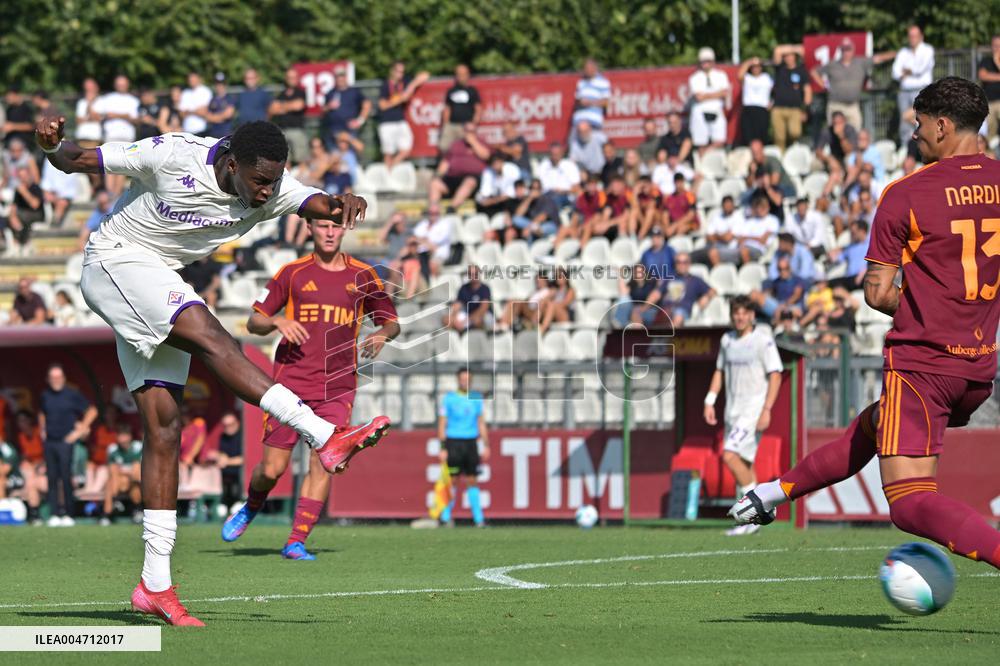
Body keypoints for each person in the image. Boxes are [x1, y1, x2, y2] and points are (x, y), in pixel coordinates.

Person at [36, 113, 382, 625]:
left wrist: (339, 202)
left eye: (275, 180)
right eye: (259, 180)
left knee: (164, 429)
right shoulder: (174, 155)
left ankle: (155, 586)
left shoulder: (274, 184)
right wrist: (51, 147)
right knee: (213, 337)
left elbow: (313, 202)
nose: (266, 193)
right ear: (230, 161)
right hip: (114, 261)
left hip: (157, 279)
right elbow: (80, 160)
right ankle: (322, 434)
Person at [729, 77, 1000, 573]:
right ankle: (771, 493)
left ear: (942, 125)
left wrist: (931, 310)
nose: (915, 135)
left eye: (919, 125)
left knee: (909, 503)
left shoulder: (907, 193)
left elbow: (876, 292)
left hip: (923, 365)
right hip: (978, 371)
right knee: (876, 426)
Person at [224, 218, 399, 559]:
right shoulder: (293, 272)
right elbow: (254, 321)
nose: (330, 232)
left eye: (336, 226)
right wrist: (277, 320)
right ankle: (252, 505)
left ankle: (296, 540)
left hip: (338, 385)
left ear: (344, 230)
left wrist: (381, 334)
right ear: (310, 229)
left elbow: (391, 322)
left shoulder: (363, 275)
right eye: (323, 226)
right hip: (289, 384)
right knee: (273, 469)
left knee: (326, 460)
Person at [704, 295, 782, 536]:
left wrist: (767, 409)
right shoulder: (727, 340)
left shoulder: (762, 340)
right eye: (736, 312)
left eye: (744, 313)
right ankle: (754, 517)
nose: (740, 316)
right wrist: (710, 400)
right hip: (732, 410)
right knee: (744, 463)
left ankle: (755, 513)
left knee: (729, 456)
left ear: (752, 316)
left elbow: (776, 374)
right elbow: (720, 371)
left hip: (753, 410)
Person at [39, 363, 97, 527]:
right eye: (53, 377)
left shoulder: (72, 395)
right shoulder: (45, 395)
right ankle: (54, 514)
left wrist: (78, 432)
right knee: (51, 477)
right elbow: (42, 412)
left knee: (65, 477)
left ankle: (69, 514)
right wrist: (43, 429)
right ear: (48, 379)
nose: (56, 380)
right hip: (50, 441)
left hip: (66, 441)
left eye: (58, 377)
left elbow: (92, 411)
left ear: (63, 378)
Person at [437, 367, 490, 527]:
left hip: (471, 443)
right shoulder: (449, 398)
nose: (465, 382)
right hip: (453, 442)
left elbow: (480, 422)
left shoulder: (476, 398)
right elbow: (442, 423)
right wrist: (442, 447)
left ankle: (478, 519)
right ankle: (445, 518)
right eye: (462, 379)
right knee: (452, 480)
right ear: (458, 380)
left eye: (468, 379)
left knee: (472, 480)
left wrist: (486, 444)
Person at [812, 37, 894, 130]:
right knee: (834, 134)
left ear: (853, 49)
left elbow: (878, 58)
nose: (846, 52)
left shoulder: (860, 62)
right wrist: (824, 85)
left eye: (848, 49)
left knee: (855, 133)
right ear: (840, 50)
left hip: (852, 106)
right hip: (835, 105)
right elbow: (814, 72)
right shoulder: (833, 64)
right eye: (844, 49)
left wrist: (895, 54)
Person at [377, 61, 429, 169]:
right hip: (387, 122)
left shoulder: (405, 82)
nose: (400, 74)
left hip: (400, 120)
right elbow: (382, 105)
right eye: (398, 71)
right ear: (392, 71)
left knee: (406, 148)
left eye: (402, 72)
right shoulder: (385, 85)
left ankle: (392, 167)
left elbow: (425, 75)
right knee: (388, 152)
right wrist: (400, 99)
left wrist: (412, 86)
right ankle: (388, 173)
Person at [892, 26, 935, 146]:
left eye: (915, 36)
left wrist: (906, 71)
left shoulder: (928, 50)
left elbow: (920, 69)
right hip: (904, 91)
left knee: (921, 117)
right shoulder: (903, 52)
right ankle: (906, 148)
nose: (912, 39)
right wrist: (907, 72)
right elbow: (895, 73)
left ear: (921, 36)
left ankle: (923, 144)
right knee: (904, 121)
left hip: (921, 90)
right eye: (910, 36)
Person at [688, 47, 731, 154]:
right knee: (700, 142)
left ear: (713, 62)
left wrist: (706, 95)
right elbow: (698, 97)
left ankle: (709, 154)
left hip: (716, 111)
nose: (705, 64)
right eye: (703, 61)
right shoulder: (695, 78)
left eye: (708, 61)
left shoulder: (721, 75)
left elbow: (725, 93)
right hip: (700, 113)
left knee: (719, 140)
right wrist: (717, 94)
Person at [769, 45, 812, 150]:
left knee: (795, 133)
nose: (788, 58)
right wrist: (791, 49)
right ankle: (781, 159)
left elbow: (807, 91)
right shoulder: (780, 69)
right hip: (778, 108)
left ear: (795, 57)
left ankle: (792, 150)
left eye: (791, 55)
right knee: (779, 137)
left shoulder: (801, 70)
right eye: (786, 56)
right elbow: (777, 50)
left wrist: (805, 109)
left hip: (795, 109)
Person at [659, 253, 714, 327]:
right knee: (638, 314)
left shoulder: (696, 280)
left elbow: (712, 291)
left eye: (685, 262)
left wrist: (706, 297)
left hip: (682, 311)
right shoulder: (669, 278)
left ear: (689, 264)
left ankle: (670, 338)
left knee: (678, 315)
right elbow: (656, 293)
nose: (681, 265)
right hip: (664, 310)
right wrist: (644, 307)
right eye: (678, 262)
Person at [322, 65, 371, 148]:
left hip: (350, 129)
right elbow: (323, 110)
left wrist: (360, 121)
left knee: (352, 155)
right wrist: (329, 106)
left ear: (346, 77)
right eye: (338, 76)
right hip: (334, 130)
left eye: (342, 76)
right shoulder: (330, 93)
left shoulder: (354, 91)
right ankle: (353, 141)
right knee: (336, 156)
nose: (340, 78)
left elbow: (367, 104)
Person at [268, 68, 308, 165]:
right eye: (289, 77)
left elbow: (299, 105)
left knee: (302, 161)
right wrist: (290, 106)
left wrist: (281, 107)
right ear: (286, 78)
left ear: (297, 78)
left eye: (294, 77)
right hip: (283, 131)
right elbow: (272, 110)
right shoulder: (281, 94)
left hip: (297, 130)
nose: (292, 79)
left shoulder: (301, 92)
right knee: (286, 163)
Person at [439, 64, 482, 153]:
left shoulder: (472, 91)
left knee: (468, 150)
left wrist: (473, 124)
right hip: (452, 125)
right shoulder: (451, 91)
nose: (461, 77)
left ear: (468, 75)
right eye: (458, 74)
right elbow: (447, 109)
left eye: (463, 74)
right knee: (444, 147)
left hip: (466, 126)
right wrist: (446, 125)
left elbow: (478, 109)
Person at [105, 423, 143, 524]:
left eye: (124, 435)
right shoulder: (113, 449)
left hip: (136, 481)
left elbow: (137, 471)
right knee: (112, 480)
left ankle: (115, 506)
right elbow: (112, 469)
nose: (122, 439)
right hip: (120, 482)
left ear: (130, 436)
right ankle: (111, 510)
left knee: (135, 475)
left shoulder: (137, 447)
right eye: (120, 435)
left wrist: (123, 471)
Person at [14, 409, 45, 524]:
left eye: (24, 420)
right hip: (30, 474)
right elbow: (23, 457)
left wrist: (38, 466)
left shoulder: (39, 433)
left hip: (43, 472)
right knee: (27, 469)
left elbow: (47, 457)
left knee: (31, 479)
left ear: (30, 420)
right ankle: (34, 514)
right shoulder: (20, 437)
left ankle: (34, 513)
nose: (21, 424)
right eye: (19, 421)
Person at [694, 195, 744, 266]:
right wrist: (721, 236)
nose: (727, 207)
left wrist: (716, 236)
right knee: (692, 255)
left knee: (713, 253)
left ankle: (719, 273)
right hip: (714, 246)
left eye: (729, 205)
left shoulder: (738, 217)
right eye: (725, 205)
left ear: (733, 206)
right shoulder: (717, 217)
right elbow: (708, 236)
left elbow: (727, 239)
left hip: (731, 249)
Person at [536, 141, 582, 210]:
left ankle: (538, 220)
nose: (554, 157)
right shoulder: (544, 165)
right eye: (552, 154)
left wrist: (561, 191)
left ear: (562, 153)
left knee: (552, 201)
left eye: (556, 154)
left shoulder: (570, 165)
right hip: (546, 195)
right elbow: (537, 184)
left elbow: (576, 188)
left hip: (564, 196)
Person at [445, 266, 492, 332]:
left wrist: (466, 320)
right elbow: (457, 305)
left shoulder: (485, 289)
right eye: (471, 274)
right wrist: (454, 317)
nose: (473, 276)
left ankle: (476, 337)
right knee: (447, 319)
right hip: (467, 314)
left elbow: (483, 309)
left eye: (475, 273)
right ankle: (455, 338)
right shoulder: (463, 288)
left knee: (477, 320)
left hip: (482, 316)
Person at [738, 57, 773, 146]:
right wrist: (750, 61)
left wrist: (772, 102)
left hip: (762, 109)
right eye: (754, 66)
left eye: (758, 66)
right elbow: (740, 75)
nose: (756, 68)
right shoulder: (747, 78)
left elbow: (776, 90)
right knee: (748, 136)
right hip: (749, 109)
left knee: (761, 136)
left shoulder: (767, 78)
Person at [613, 263, 662, 328]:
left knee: (636, 312)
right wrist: (621, 276)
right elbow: (623, 294)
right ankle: (621, 325)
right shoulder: (632, 285)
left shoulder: (651, 284)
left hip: (649, 310)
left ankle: (635, 333)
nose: (638, 274)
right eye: (635, 272)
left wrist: (642, 308)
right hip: (633, 310)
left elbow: (656, 295)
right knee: (624, 299)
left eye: (640, 272)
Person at [211, 412, 243, 510]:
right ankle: (217, 503)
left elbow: (246, 459)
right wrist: (220, 456)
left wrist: (227, 461)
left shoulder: (243, 437)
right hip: (224, 472)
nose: (228, 427)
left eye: (231, 425)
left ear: (237, 423)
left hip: (240, 474)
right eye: (225, 425)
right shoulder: (223, 437)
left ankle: (237, 501)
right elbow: (220, 453)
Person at [977, 35, 1000, 142]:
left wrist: (997, 63)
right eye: (995, 46)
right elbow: (982, 75)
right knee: (990, 131)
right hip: (989, 102)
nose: (997, 48)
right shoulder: (986, 61)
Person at [178, 72, 212, 137]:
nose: (192, 81)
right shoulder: (185, 93)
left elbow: (203, 112)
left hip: (201, 130)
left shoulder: (205, 91)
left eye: (193, 79)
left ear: (199, 79)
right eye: (190, 80)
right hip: (186, 131)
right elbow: (181, 114)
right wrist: (196, 111)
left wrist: (188, 111)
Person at [204, 73, 236, 138]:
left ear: (225, 85)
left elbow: (228, 115)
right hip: (213, 134)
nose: (219, 86)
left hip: (226, 134)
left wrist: (214, 118)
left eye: (222, 84)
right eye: (217, 84)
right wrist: (221, 117)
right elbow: (207, 117)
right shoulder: (212, 99)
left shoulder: (230, 98)